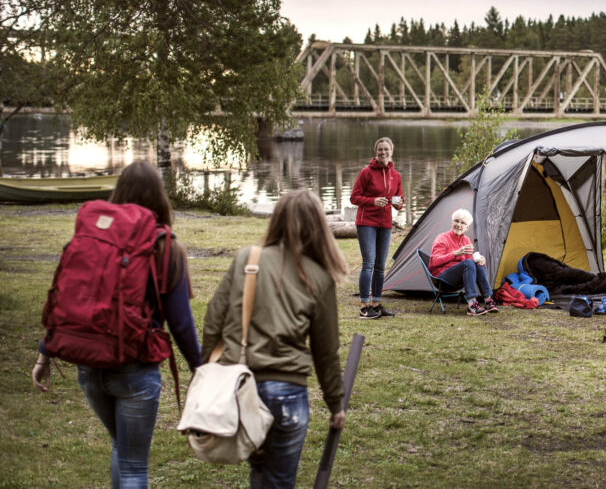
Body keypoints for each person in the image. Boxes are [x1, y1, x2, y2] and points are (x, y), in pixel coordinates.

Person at [31, 160, 203, 489]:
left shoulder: (94, 240)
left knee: (121, 449)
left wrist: (44, 355)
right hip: (135, 370)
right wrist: (200, 368)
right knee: (134, 465)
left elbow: (69, 296)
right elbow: (180, 322)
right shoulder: (166, 246)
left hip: (89, 364)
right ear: (160, 196)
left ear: (119, 191)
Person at [202, 189, 348, 488]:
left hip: (241, 388)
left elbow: (212, 323)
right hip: (286, 393)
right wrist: (336, 404)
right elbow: (326, 351)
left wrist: (206, 374)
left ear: (276, 219)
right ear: (318, 226)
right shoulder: (319, 276)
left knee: (259, 471)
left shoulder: (247, 259)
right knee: (279, 480)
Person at [350, 136, 404, 319]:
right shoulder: (366, 173)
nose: (383, 152)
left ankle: (376, 304)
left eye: (386, 149)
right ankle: (365, 306)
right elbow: (354, 198)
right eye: (380, 149)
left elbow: (399, 199)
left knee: (381, 266)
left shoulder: (396, 176)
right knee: (369, 264)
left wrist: (398, 204)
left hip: (385, 224)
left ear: (391, 152)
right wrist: (372, 201)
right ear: (376, 152)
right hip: (366, 223)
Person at [428, 209, 498, 316]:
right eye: (456, 221)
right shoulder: (442, 238)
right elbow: (434, 262)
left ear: (467, 227)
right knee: (469, 263)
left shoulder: (466, 240)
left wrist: (481, 261)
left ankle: (488, 300)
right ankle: (472, 304)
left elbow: (471, 262)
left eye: (463, 223)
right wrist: (455, 253)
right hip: (442, 278)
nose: (459, 225)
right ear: (452, 222)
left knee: (476, 263)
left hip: (459, 278)